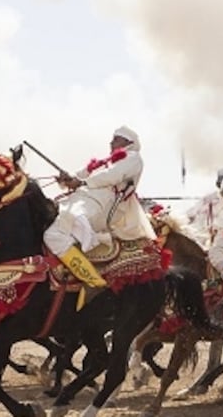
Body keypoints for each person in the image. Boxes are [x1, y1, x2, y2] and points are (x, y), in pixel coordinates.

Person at [43, 125, 156, 309]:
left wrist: (80, 181)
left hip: (101, 205)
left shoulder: (133, 158)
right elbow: (80, 175)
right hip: (81, 200)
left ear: (129, 143)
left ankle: (93, 280)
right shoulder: (106, 161)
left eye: (116, 139)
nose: (111, 143)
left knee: (53, 234)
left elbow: (111, 176)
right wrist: (66, 178)